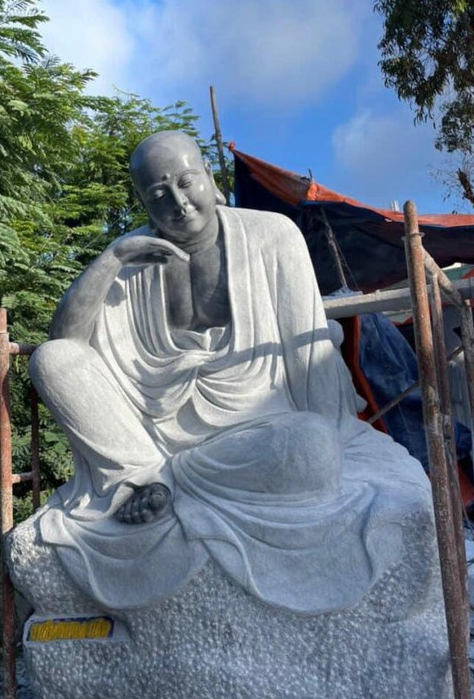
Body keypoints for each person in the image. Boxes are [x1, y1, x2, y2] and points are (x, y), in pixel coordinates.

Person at [28, 131, 430, 613]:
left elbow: (307, 352)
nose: (178, 203)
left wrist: (334, 434)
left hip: (258, 429)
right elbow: (66, 339)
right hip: (152, 434)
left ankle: (158, 484)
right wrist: (112, 259)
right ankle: (143, 476)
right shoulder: (131, 256)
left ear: (210, 178)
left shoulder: (272, 235)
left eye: (185, 182)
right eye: (158, 194)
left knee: (311, 448)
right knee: (51, 360)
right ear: (143, 203)